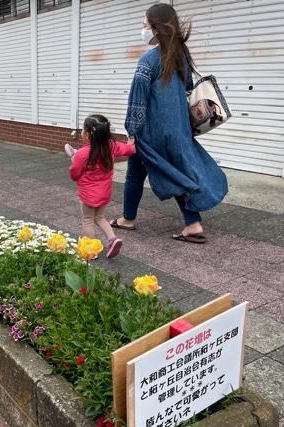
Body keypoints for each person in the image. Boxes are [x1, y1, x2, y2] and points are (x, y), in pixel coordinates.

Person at [112, 3, 228, 244]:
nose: (142, 29)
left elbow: (137, 101)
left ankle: (132, 219)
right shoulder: (180, 56)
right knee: (164, 171)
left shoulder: (147, 61)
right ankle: (185, 222)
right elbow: (186, 90)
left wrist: (132, 132)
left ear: (155, 30)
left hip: (151, 133)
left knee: (144, 175)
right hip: (177, 131)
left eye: (144, 25)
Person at [67, 114, 135, 258]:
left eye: (83, 130)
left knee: (88, 220)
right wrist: (131, 143)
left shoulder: (83, 154)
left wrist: (74, 163)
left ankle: (90, 251)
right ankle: (113, 239)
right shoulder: (111, 146)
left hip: (88, 195)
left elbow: (74, 173)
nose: (81, 132)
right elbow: (128, 150)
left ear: (88, 135)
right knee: (100, 217)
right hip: (104, 193)